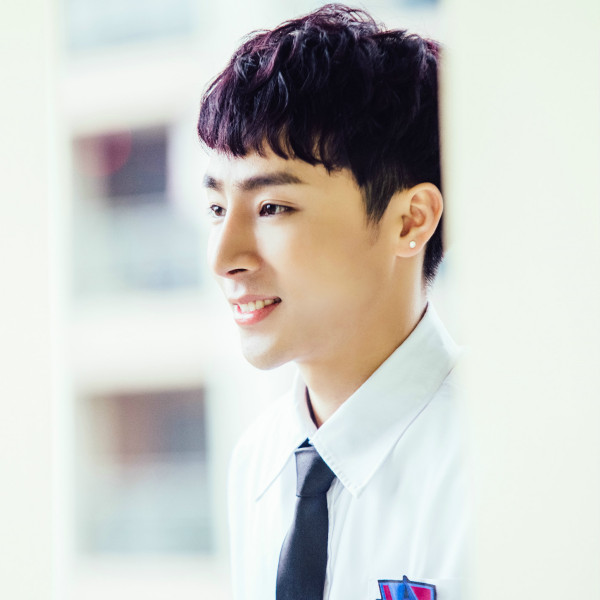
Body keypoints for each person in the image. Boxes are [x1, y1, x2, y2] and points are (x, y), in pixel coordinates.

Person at [197, 4, 467, 599]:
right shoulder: (257, 461)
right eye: (217, 208)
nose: (223, 258)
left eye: (272, 207)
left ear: (409, 221)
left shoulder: (504, 462)